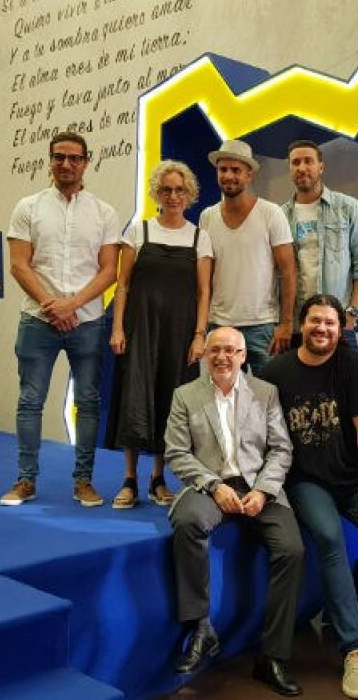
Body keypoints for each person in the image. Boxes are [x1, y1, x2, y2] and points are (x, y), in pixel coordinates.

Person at [260, 294, 358, 699]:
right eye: (315, 321)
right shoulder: (276, 372)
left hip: (351, 479)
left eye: (330, 323)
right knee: (329, 537)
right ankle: (352, 649)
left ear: (340, 329)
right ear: (302, 325)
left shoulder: (352, 366)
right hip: (307, 481)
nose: (322, 329)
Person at [165, 327, 304, 696]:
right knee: (187, 521)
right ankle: (201, 627)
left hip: (259, 486)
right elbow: (177, 453)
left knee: (292, 549)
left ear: (244, 356)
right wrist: (214, 486)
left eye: (231, 350)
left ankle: (271, 656)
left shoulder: (265, 392)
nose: (222, 357)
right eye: (215, 350)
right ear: (205, 354)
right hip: (210, 485)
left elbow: (281, 449)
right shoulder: (185, 395)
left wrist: (263, 490)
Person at [0, 132, 121, 508]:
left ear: (86, 162)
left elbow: (109, 270)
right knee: (30, 401)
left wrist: (73, 305)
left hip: (88, 322)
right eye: (59, 157)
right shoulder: (28, 207)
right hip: (38, 320)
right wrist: (52, 305)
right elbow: (19, 265)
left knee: (88, 402)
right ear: (50, 160)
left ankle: (84, 481)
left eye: (74, 158)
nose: (66, 164)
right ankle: (26, 480)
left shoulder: (104, 213)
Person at [105, 160, 213, 509]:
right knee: (135, 398)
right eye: (166, 189)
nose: (173, 196)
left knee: (172, 403)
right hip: (140, 329)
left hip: (180, 334)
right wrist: (118, 327)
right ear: (157, 193)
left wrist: (199, 335)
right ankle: (129, 480)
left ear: (189, 194)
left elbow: (204, 293)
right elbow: (122, 285)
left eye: (179, 190)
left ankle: (158, 479)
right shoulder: (138, 231)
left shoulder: (200, 237)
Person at [198, 139, 296, 376]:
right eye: (223, 169)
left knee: (270, 392)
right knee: (221, 394)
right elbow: (205, 279)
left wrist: (286, 323)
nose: (228, 176)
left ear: (249, 175)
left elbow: (289, 270)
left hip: (262, 326)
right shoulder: (207, 217)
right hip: (219, 324)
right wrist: (201, 329)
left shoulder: (271, 213)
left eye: (236, 170)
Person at [282, 140, 358, 352]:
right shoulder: (279, 215)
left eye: (308, 161)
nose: (302, 168)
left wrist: (351, 313)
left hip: (338, 324)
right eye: (295, 162)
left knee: (350, 374)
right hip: (297, 327)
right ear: (290, 169)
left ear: (321, 167)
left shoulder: (347, 207)